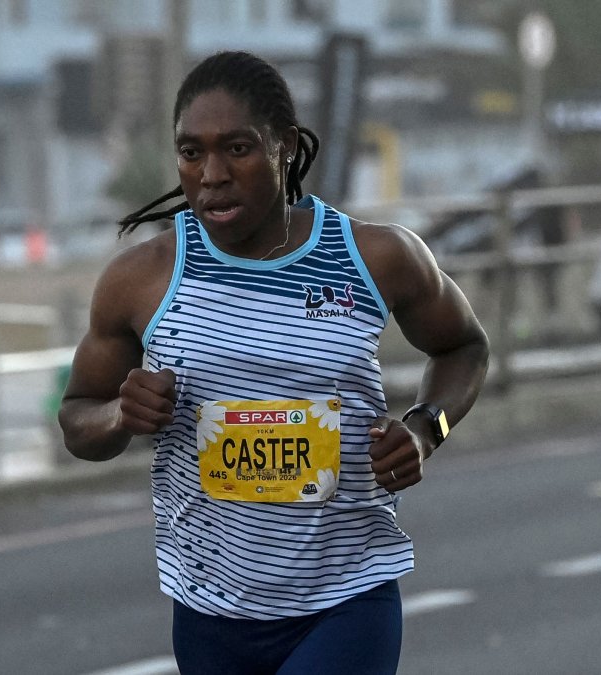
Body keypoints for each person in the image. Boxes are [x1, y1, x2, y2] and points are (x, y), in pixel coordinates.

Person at [57, 51, 489, 674]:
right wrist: (121, 416)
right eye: (190, 153)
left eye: (237, 149)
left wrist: (426, 429)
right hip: (210, 608)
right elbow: (77, 420)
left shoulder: (376, 257)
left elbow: (464, 347)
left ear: (284, 145)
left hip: (349, 598)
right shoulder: (141, 279)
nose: (212, 174)